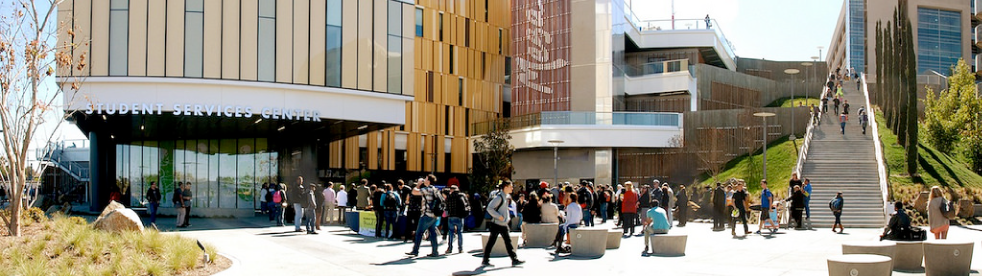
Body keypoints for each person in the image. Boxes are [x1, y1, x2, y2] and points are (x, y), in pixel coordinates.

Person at [481, 180, 524, 267]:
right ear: (505, 187)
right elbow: (490, 208)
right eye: (511, 186)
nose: (512, 188)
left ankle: (513, 259)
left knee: (507, 242)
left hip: (502, 224)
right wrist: (499, 216)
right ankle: (486, 259)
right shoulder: (499, 197)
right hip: (497, 224)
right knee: (492, 242)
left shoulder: (506, 196)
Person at [407, 174, 444, 258]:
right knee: (433, 233)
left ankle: (415, 251)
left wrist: (418, 184)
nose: (424, 180)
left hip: (426, 214)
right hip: (434, 215)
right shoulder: (436, 190)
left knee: (419, 233)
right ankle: (435, 251)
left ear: (429, 181)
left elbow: (414, 192)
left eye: (426, 179)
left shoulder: (427, 189)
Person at [445, 185, 469, 253]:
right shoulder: (462, 195)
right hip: (460, 216)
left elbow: (446, 206)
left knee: (451, 232)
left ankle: (450, 248)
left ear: (451, 190)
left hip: (451, 216)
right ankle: (460, 248)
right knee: (460, 232)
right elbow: (467, 204)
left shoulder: (449, 196)